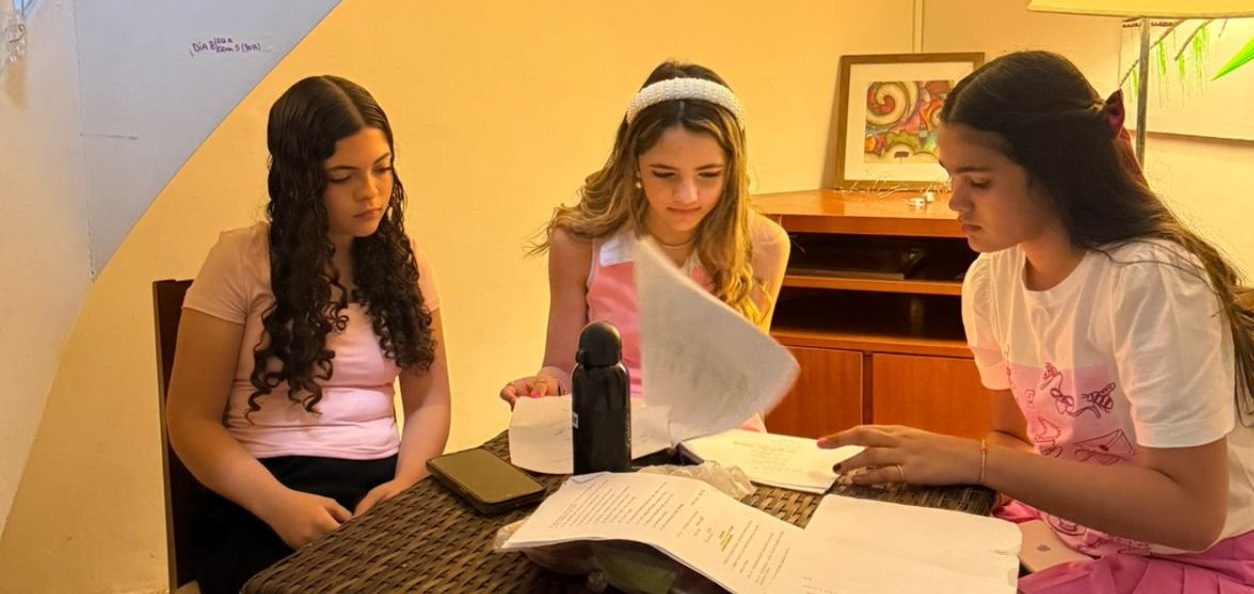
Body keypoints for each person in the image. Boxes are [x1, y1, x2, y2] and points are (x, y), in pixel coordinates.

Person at [818, 51, 1254, 592]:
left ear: (1057, 172)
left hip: (1215, 556)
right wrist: (970, 465)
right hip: (1075, 537)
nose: (954, 202)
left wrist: (976, 461)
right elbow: (1011, 437)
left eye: (979, 182)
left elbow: (1191, 516)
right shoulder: (990, 280)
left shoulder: (1151, 281)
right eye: (950, 176)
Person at [166, 75, 451, 594]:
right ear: (299, 181)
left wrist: (407, 485)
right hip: (264, 492)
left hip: (383, 487)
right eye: (343, 176)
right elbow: (190, 422)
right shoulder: (240, 260)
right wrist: (277, 505)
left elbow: (429, 400)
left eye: (382, 168)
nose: (370, 192)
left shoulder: (406, 263)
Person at [499, 61, 790, 411]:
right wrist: (544, 386)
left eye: (709, 174)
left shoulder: (763, 245)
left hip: (720, 430)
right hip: (610, 423)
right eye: (664, 174)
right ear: (634, 164)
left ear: (732, 170)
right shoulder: (580, 244)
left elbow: (747, 386)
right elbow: (561, 368)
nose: (687, 196)